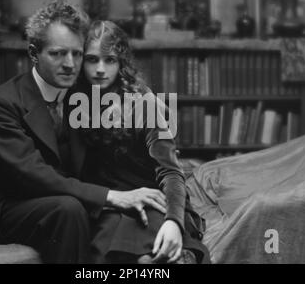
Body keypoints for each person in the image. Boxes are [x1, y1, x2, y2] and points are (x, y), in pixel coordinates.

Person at [0, 0, 166, 263]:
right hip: (11, 203)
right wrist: (111, 196)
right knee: (70, 209)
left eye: (77, 54)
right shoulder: (3, 103)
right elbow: (33, 175)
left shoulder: (85, 94)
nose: (70, 64)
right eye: (57, 53)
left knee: (125, 210)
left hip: (70, 197)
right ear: (34, 53)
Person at [75, 20, 210, 264]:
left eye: (110, 60)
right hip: (110, 205)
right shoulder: (74, 100)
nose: (100, 69)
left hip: (155, 198)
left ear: (121, 63)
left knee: (155, 257)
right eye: (92, 59)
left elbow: (171, 172)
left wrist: (174, 222)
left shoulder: (143, 104)